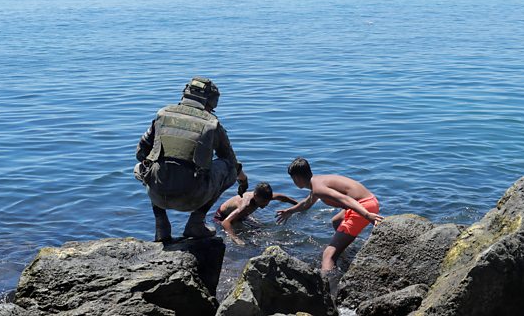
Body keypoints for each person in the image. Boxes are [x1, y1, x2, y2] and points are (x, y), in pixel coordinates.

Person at [134, 77, 248, 242]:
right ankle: (196, 221)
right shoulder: (212, 124)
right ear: (211, 102)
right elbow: (231, 162)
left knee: (145, 166)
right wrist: (243, 181)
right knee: (227, 168)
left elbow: (140, 153)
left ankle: (161, 226)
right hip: (192, 198)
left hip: (157, 195)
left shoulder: (163, 114)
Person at [276, 157, 384, 272]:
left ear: (296, 178)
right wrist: (289, 211)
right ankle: (345, 249)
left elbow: (344, 199)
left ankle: (327, 285)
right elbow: (306, 203)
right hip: (370, 201)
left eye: (292, 178)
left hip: (363, 206)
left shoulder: (318, 189)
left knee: (328, 255)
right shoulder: (317, 182)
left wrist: (367, 215)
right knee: (336, 221)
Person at [214, 182, 298, 245]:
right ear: (255, 196)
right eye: (263, 202)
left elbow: (282, 197)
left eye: (267, 202)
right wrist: (236, 239)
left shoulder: (265, 196)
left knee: (258, 229)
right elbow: (225, 222)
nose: (265, 205)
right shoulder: (246, 205)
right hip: (222, 217)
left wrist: (298, 205)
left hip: (241, 216)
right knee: (245, 235)